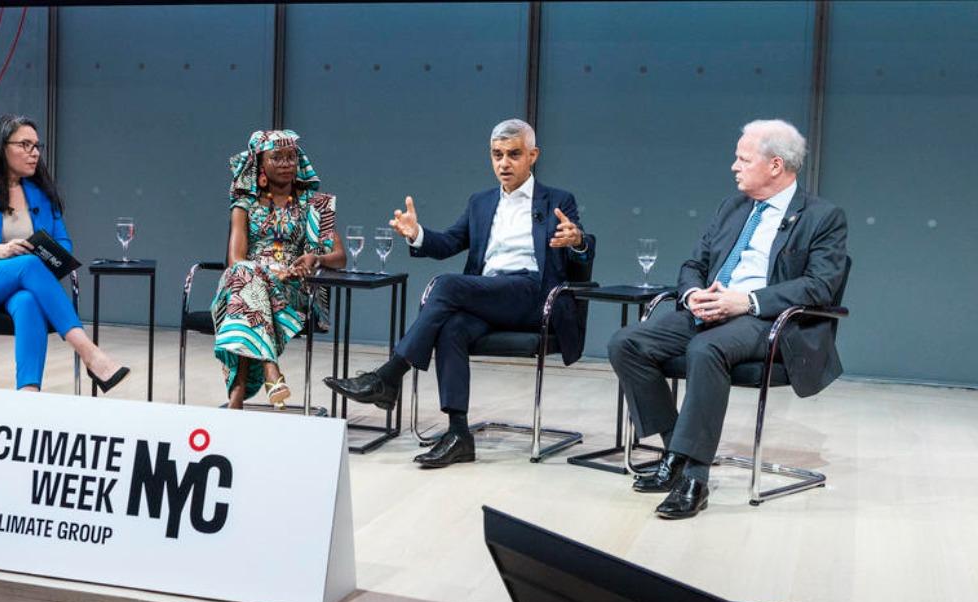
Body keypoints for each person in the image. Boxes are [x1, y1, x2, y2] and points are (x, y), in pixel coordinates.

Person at [607, 119, 848, 520]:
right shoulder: (731, 208)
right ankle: (677, 451)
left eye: (743, 159)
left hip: (768, 320)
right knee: (626, 343)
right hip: (709, 309)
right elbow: (693, 264)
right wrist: (692, 294)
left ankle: (694, 479)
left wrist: (747, 301)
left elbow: (820, 285)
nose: (734, 166)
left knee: (706, 349)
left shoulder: (822, 216)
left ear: (775, 165)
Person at [325, 119, 595, 467]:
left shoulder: (557, 200)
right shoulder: (481, 202)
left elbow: (581, 245)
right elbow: (449, 242)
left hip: (534, 295)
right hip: (489, 295)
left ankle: (389, 376)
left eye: (513, 154)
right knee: (451, 327)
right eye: (497, 155)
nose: (504, 163)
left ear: (533, 155)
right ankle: (458, 435)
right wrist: (417, 234)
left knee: (446, 285)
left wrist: (577, 240)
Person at [0, 114, 129, 393]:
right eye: (25, 145)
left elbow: (63, 243)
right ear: (1, 147)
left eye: (37, 146)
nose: (35, 153)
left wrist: (45, 252)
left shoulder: (41, 194)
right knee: (28, 264)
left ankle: (28, 395)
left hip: (20, 284)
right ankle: (89, 353)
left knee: (28, 300)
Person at [212, 130, 345, 410]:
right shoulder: (244, 205)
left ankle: (238, 393)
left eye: (290, 157)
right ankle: (270, 369)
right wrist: (268, 272)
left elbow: (340, 257)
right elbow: (235, 259)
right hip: (247, 280)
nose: (286, 164)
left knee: (245, 288)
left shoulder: (316, 204)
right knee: (246, 277)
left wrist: (315, 258)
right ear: (260, 164)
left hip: (292, 288)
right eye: (277, 158)